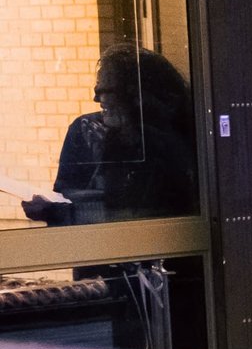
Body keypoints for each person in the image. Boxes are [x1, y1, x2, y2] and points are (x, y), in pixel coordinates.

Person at [21, 44, 198, 225]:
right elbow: (73, 196)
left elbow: (136, 214)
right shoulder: (88, 131)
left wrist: (53, 212)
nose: (96, 99)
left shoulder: (171, 146)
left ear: (136, 94)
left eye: (103, 91)